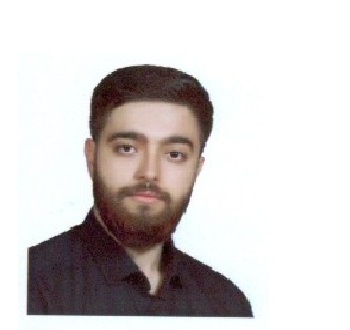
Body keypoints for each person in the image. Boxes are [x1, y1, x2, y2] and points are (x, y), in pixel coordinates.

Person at [27, 64, 252, 317]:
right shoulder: (28, 284)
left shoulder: (226, 305)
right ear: (92, 157)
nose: (149, 172)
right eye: (127, 149)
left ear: (197, 169)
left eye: (174, 154)